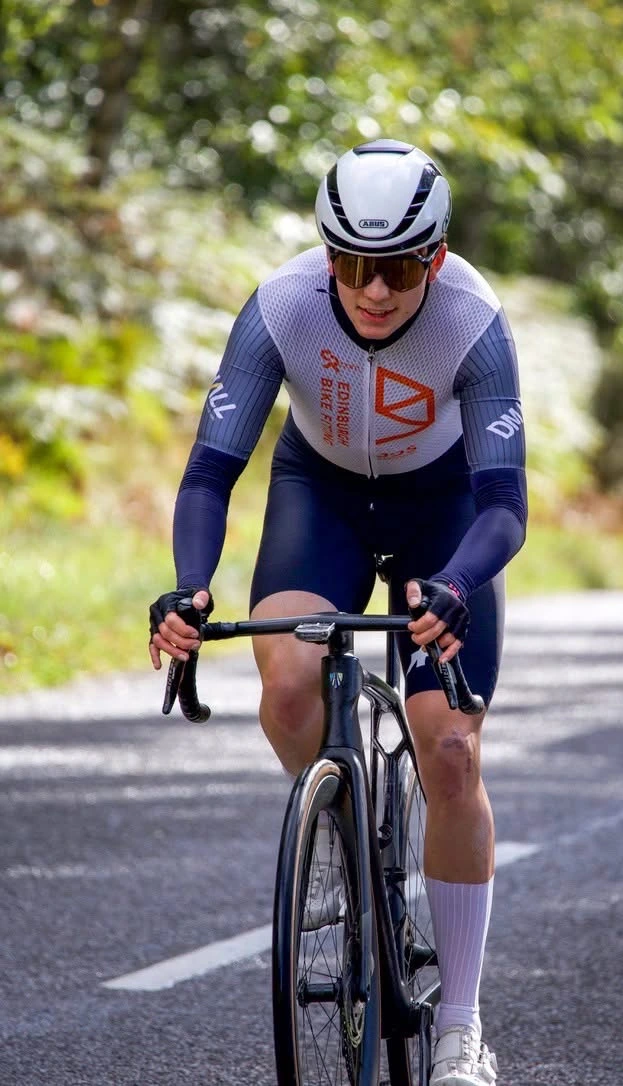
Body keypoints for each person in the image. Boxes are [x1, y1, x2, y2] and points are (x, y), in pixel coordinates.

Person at [149, 137, 526, 1086]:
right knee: (283, 686)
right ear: (327, 255)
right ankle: (350, 846)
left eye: (398, 268)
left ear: (432, 258)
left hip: (445, 513)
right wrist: (192, 586)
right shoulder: (280, 307)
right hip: (320, 495)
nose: (373, 291)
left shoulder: (473, 321)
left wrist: (455, 585)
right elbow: (210, 473)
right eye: (352, 264)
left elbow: (504, 509)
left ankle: (460, 1031)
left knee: (449, 749)